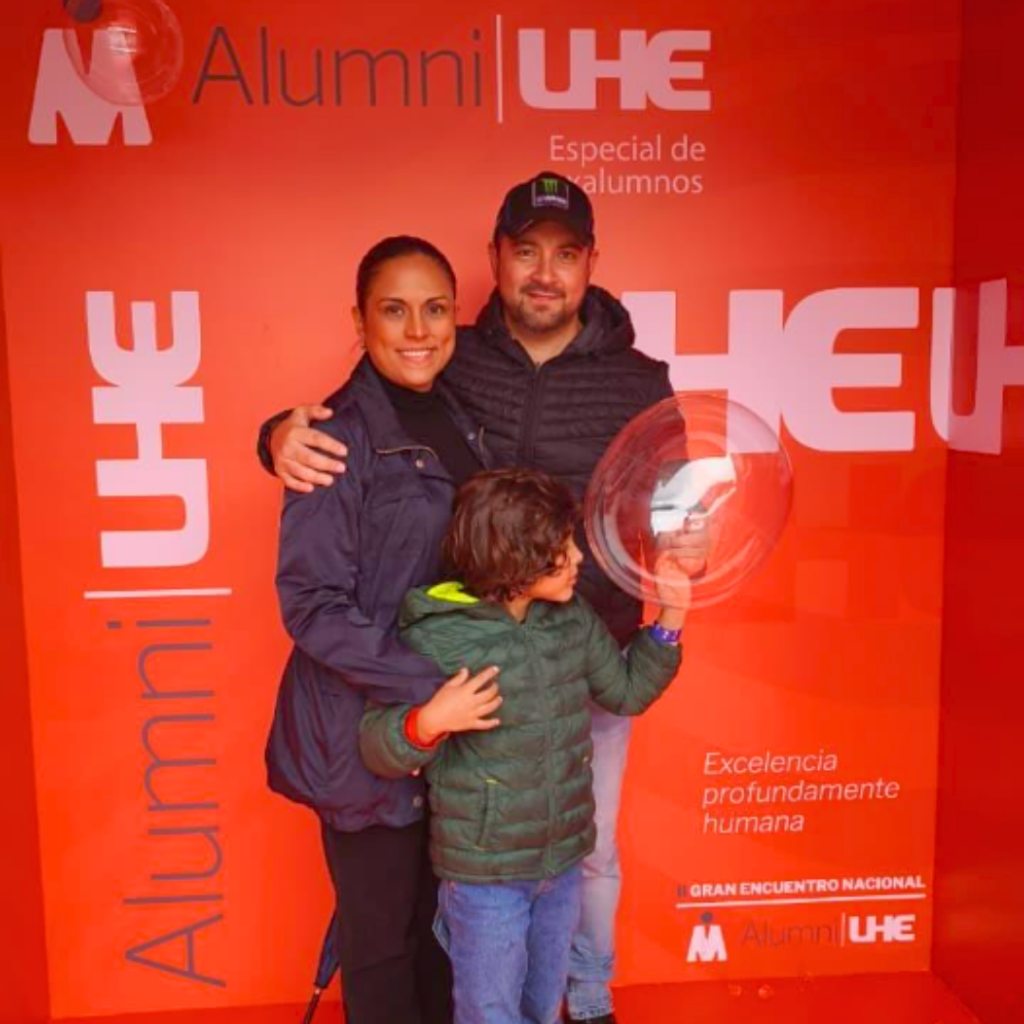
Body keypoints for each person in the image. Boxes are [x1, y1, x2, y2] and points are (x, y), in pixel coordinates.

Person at [260, 172, 707, 1024]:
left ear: (590, 264)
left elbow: (671, 499)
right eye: (526, 252)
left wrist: (683, 552)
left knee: (553, 867)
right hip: (439, 687)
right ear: (496, 260)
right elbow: (352, 453)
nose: (545, 272)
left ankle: (584, 997)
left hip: (566, 667)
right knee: (415, 913)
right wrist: (278, 433)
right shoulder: (458, 367)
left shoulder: (632, 380)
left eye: (565, 254)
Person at [266, 235, 502, 1024]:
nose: (417, 330)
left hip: (446, 730)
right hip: (361, 732)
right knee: (382, 946)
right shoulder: (331, 437)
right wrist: (433, 689)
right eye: (393, 310)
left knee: (444, 934)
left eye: (435, 309)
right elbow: (311, 605)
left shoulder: (461, 416)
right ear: (359, 320)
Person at [359, 469, 690, 1024]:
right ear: (515, 560)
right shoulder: (435, 635)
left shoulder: (571, 619)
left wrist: (672, 618)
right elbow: (377, 745)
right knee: (491, 1013)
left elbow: (627, 692)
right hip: (485, 878)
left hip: (561, 864)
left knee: (540, 1005)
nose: (578, 558)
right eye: (562, 548)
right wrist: (430, 720)